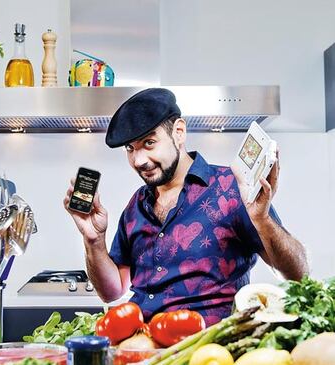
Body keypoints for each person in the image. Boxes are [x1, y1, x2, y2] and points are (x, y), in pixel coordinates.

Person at [63, 88, 309, 325]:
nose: (139, 160)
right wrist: (93, 240)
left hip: (210, 351)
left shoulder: (232, 188)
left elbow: (298, 275)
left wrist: (262, 220)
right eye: (130, 149)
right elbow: (113, 291)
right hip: (143, 347)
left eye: (149, 143)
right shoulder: (136, 205)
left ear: (179, 132)